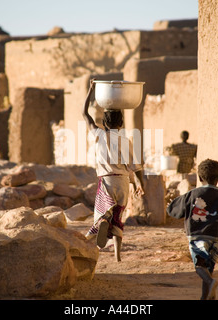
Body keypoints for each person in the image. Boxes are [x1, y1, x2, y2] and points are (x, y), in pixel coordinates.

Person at [82, 79, 144, 262]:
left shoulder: (98, 134)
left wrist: (91, 90)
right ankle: (117, 256)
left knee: (103, 213)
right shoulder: (126, 141)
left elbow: (84, 113)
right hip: (123, 182)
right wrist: (139, 182)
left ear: (104, 123)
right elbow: (136, 165)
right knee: (118, 218)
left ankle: (102, 222)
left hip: (106, 180)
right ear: (122, 123)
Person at [166, 159, 218, 300]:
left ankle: (210, 283)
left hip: (197, 237)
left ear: (200, 177)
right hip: (216, 239)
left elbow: (173, 210)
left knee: (199, 267)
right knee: (208, 270)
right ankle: (206, 297)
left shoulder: (192, 195)